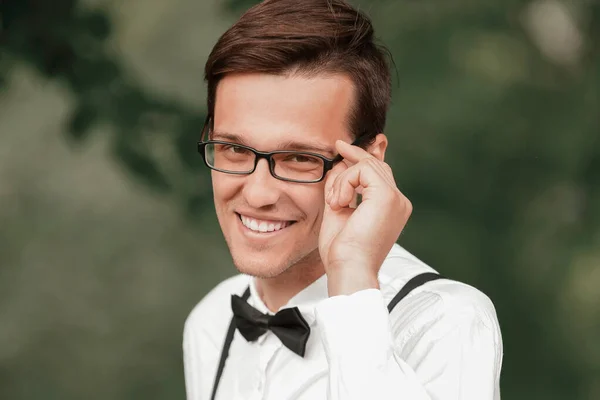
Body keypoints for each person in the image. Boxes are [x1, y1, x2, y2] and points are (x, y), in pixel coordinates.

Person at [183, 0, 503, 399]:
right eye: (234, 149)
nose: (258, 193)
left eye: (299, 158)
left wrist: (352, 274)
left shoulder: (445, 320)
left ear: (369, 160)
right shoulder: (210, 321)